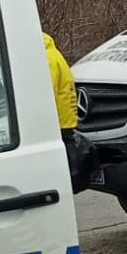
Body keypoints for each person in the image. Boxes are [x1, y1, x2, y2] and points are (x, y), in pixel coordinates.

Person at [43, 32, 93, 189]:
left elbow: (45, 90)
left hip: (58, 120)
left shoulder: (47, 59)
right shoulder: (54, 54)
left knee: (65, 167)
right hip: (66, 118)